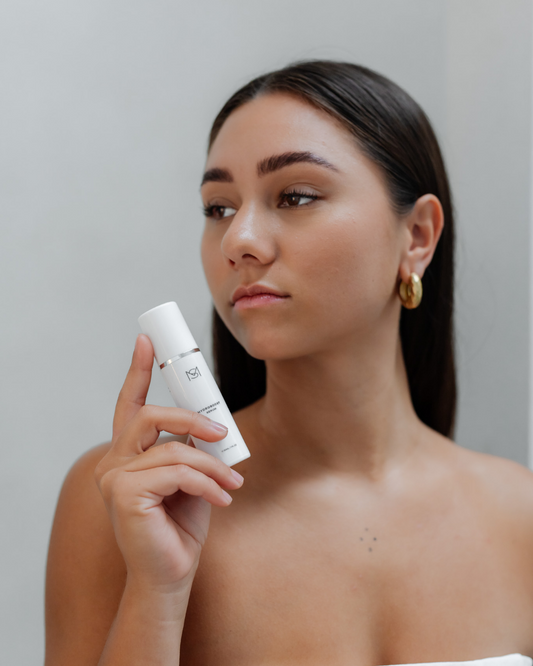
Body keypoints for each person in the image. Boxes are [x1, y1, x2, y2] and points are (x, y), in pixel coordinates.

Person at [44, 61, 533, 666]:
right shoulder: (132, 502)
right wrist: (157, 593)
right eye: (218, 207)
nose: (238, 240)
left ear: (417, 236)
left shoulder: (521, 517)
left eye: (295, 196)